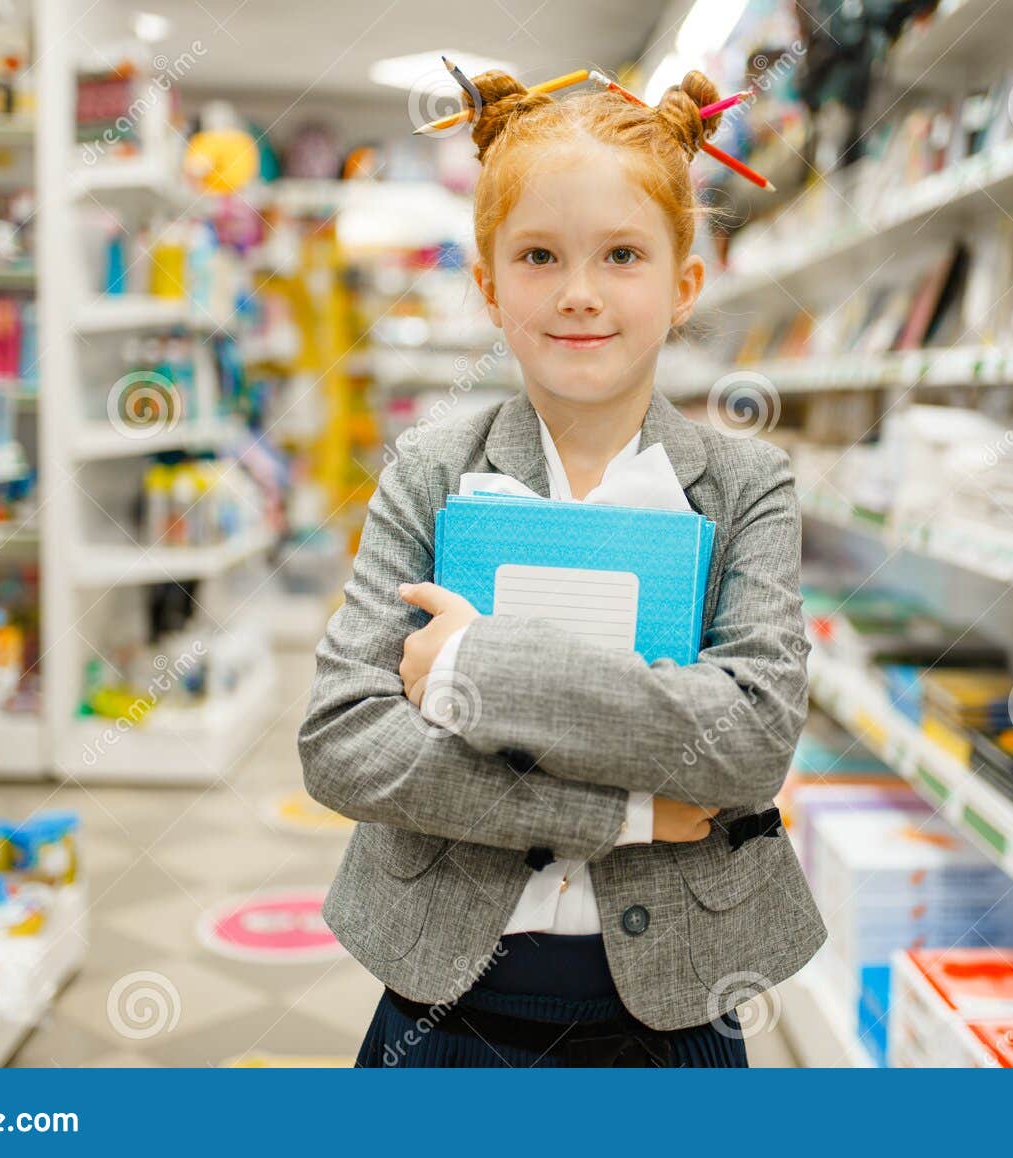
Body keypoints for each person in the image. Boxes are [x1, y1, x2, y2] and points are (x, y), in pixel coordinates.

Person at [298, 66, 825, 1068]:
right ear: (490, 285)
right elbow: (344, 740)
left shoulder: (746, 485)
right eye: (538, 256)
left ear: (682, 286)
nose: (580, 294)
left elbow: (750, 741)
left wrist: (475, 668)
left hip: (678, 998)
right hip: (446, 990)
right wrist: (622, 811)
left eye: (622, 255)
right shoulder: (430, 469)